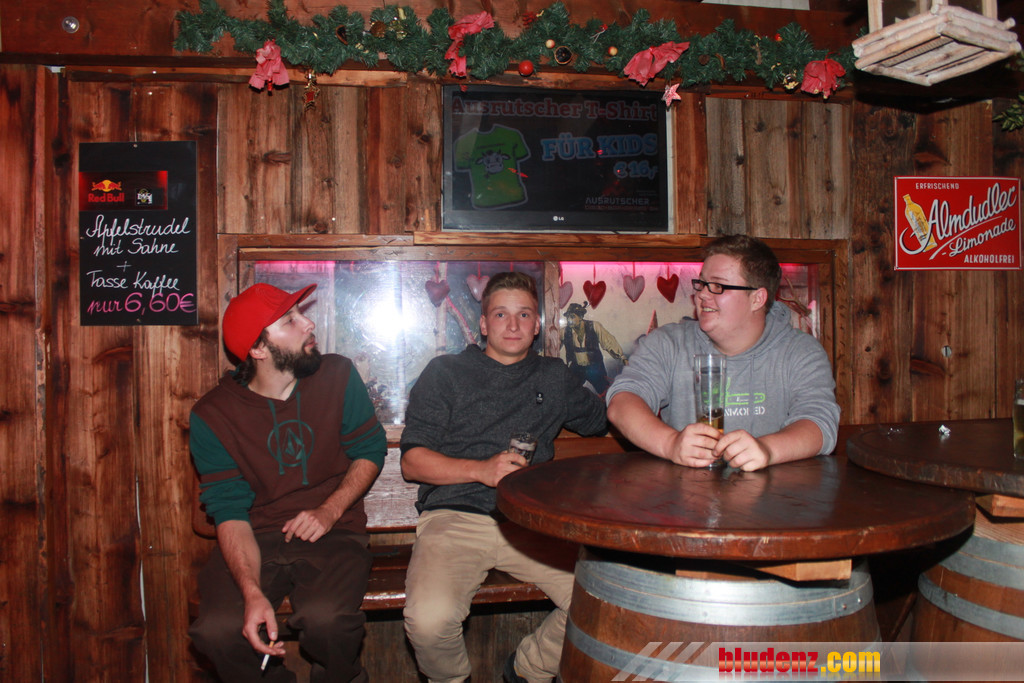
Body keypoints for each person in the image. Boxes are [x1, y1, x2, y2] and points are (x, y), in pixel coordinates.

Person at [400, 272, 607, 683]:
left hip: (532, 523)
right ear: (483, 324)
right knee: (427, 622)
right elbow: (413, 463)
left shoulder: (554, 376)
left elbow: (600, 420)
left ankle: (526, 671)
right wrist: (481, 470)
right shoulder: (445, 372)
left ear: (537, 325)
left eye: (524, 314)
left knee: (605, 601)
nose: (513, 325)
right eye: (500, 314)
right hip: (456, 516)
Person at [188, 283, 386, 683]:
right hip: (254, 535)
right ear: (258, 349)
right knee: (217, 631)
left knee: (327, 620)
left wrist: (329, 510)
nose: (308, 323)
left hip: (333, 532)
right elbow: (229, 510)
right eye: (290, 320)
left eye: (301, 313)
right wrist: (251, 593)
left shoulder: (336, 375)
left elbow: (369, 449)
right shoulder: (212, 415)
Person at [606, 234, 839, 472]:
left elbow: (820, 423)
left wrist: (767, 450)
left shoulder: (800, 351)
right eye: (701, 284)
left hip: (774, 493)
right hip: (685, 492)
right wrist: (670, 444)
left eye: (718, 286)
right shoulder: (668, 343)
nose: (702, 294)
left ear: (757, 299)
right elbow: (622, 402)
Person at [561, 301, 627, 396]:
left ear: (580, 317)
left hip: (594, 367)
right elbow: (553, 344)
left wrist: (622, 357)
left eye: (572, 316)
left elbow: (608, 341)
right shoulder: (564, 332)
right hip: (576, 368)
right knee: (570, 393)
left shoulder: (594, 326)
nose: (569, 320)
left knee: (605, 392)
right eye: (567, 317)